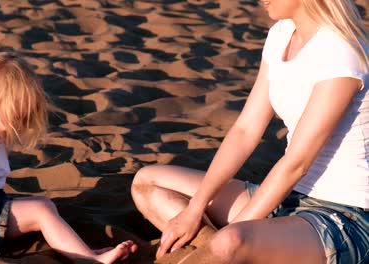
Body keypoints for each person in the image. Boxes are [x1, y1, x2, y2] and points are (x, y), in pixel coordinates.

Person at [131, 0, 368, 263]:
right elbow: (245, 130)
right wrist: (195, 208)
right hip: (287, 196)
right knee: (148, 182)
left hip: (345, 216)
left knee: (230, 240)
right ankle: (225, 253)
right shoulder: (281, 34)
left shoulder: (341, 52)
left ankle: (227, 252)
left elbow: (296, 164)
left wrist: (236, 229)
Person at [0, 52, 137, 264]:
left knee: (43, 206)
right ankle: (87, 260)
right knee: (41, 210)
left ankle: (80, 252)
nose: (17, 125)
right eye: (13, 116)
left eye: (21, 117)